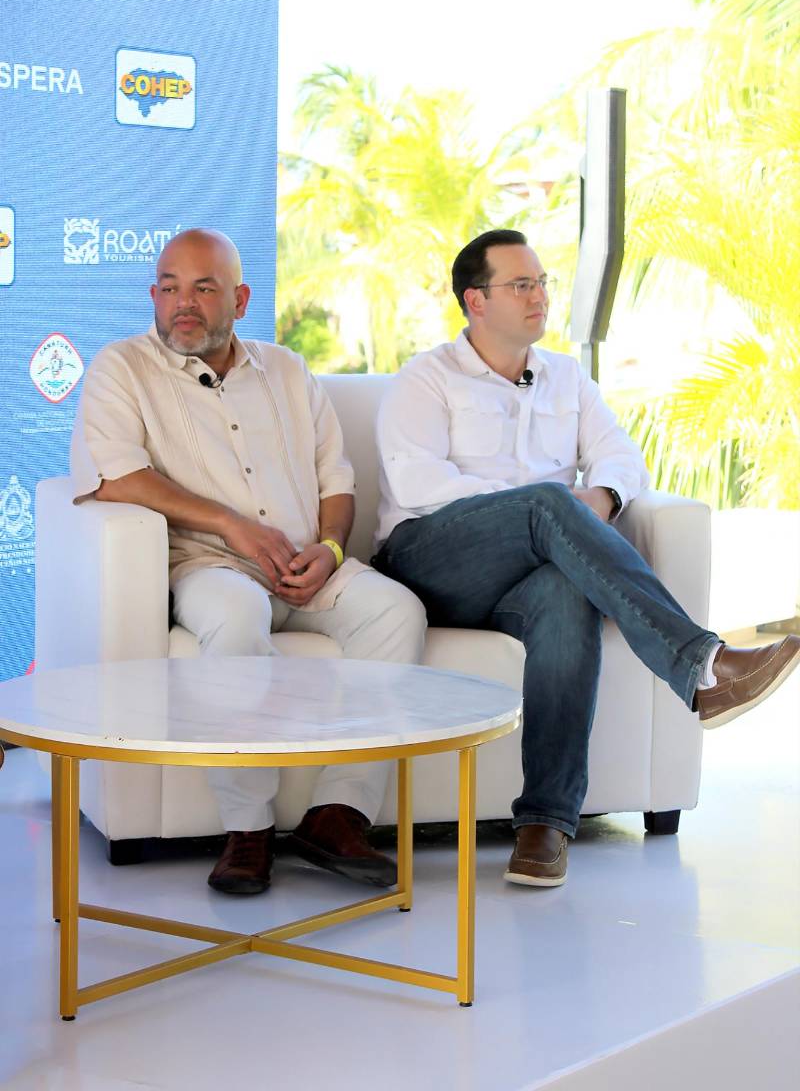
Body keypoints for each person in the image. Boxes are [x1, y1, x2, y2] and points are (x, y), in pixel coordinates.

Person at [372, 228, 800, 889]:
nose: (540, 296)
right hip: (431, 563)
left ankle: (545, 824)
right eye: (521, 284)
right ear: (475, 301)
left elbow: (621, 456)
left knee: (567, 596)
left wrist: (597, 499)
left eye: (542, 282)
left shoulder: (567, 378)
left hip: (525, 577)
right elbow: (418, 484)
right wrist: (541, 509)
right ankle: (702, 664)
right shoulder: (425, 379)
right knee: (546, 503)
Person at [71, 228, 426, 896]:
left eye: (203, 288)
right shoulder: (122, 368)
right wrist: (232, 525)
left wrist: (330, 548)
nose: (183, 303)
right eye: (169, 287)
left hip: (306, 564)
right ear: (153, 295)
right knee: (235, 616)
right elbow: (116, 476)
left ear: (239, 299)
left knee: (395, 610)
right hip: (211, 566)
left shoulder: (287, 370)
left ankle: (337, 815)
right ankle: (247, 829)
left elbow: (337, 477)